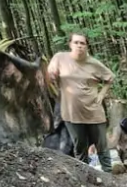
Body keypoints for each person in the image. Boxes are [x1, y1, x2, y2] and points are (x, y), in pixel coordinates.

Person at [47, 34, 114, 172]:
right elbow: (50, 76)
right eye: (76, 42)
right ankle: (85, 178)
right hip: (71, 113)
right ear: (70, 44)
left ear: (86, 46)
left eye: (82, 43)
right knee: (80, 147)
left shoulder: (93, 63)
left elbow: (110, 78)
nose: (79, 45)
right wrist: (51, 76)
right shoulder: (60, 58)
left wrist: (101, 94)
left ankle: (109, 177)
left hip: (94, 112)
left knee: (101, 146)